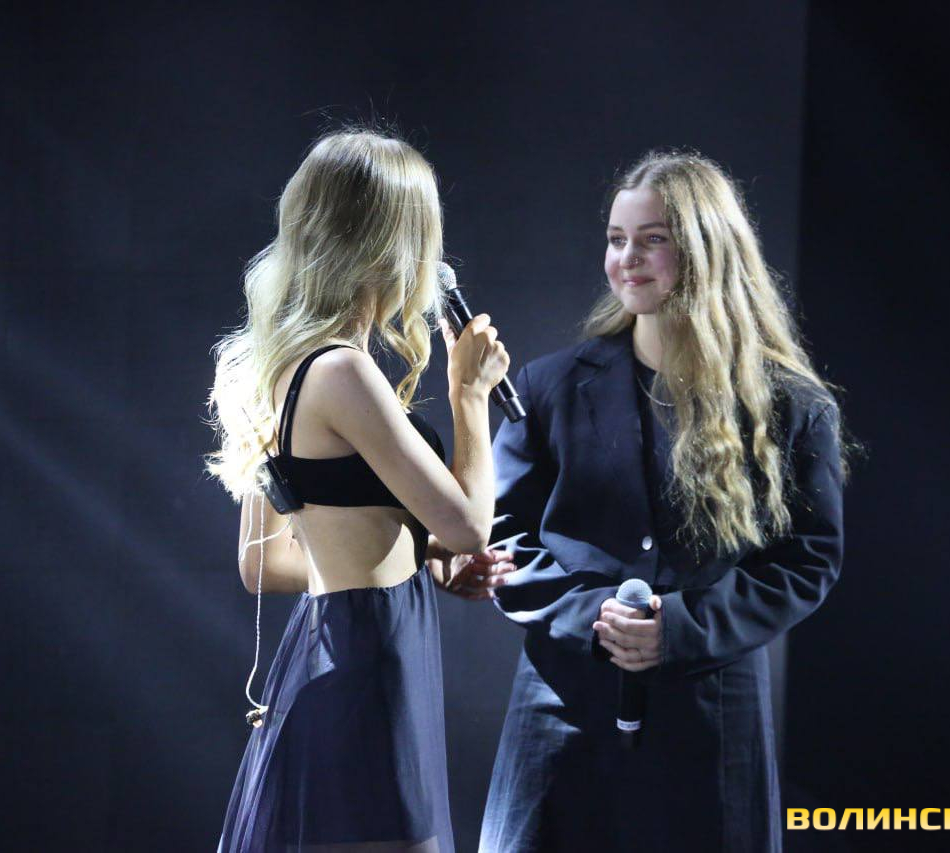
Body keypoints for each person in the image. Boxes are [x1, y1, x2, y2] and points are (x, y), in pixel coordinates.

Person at [477, 151, 846, 852]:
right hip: (561, 701)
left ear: (707, 250)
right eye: (617, 238)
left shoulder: (793, 405)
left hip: (711, 709)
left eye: (652, 239)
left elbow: (808, 560)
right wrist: (596, 618)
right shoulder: (547, 387)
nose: (627, 258)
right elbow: (501, 537)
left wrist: (680, 627)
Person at [206, 129, 514, 853]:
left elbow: (264, 563)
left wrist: (422, 554)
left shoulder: (273, 366)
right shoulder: (342, 371)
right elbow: (471, 524)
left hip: (333, 646)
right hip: (371, 654)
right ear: (394, 243)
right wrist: (470, 394)